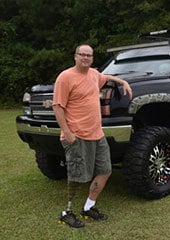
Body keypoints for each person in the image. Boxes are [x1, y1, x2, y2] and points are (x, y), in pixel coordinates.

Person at [53, 44, 132, 228]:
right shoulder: (65, 78)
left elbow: (107, 76)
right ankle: (67, 212)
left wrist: (123, 82)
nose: (86, 58)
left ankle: (89, 207)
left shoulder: (94, 75)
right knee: (77, 175)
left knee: (105, 170)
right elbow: (58, 107)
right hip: (76, 136)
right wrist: (67, 133)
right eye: (83, 54)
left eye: (89, 55)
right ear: (75, 56)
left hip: (97, 135)